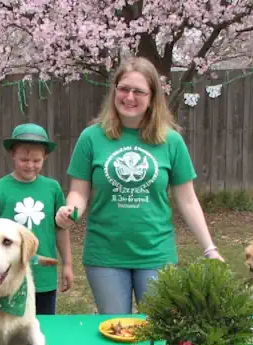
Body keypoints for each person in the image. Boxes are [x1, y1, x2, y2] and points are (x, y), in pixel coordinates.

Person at [55, 56, 224, 315]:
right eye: (123, 89)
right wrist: (70, 212)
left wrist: (209, 248)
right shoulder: (91, 137)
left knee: (156, 329)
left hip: (156, 253)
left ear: (152, 96)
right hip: (105, 255)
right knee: (115, 329)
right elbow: (79, 191)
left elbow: (188, 200)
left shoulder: (171, 141)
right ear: (114, 90)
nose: (129, 97)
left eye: (139, 91)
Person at [0, 123, 74, 315]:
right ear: (12, 154)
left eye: (36, 160)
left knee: (43, 325)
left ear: (45, 157)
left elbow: (61, 229)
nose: (30, 165)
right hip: (8, 275)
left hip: (44, 277)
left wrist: (67, 264)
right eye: (24, 159)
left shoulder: (53, 188)